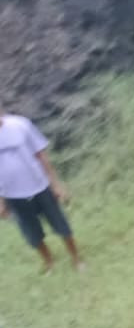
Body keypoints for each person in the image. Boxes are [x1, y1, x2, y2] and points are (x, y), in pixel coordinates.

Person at [0, 110, 83, 272]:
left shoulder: (20, 125)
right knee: (32, 233)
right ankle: (49, 264)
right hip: (13, 195)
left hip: (40, 186)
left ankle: (77, 259)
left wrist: (56, 185)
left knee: (61, 224)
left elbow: (41, 155)